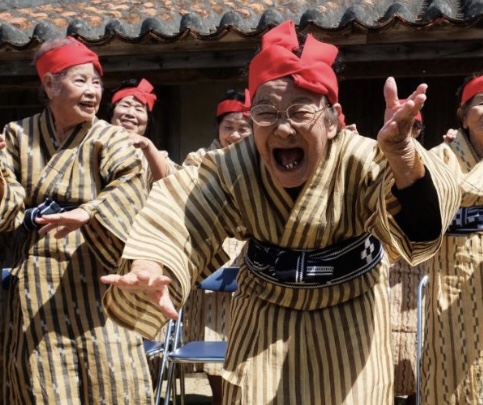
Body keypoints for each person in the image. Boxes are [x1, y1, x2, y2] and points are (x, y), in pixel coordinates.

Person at [101, 20, 460, 404]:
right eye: (266, 112)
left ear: (332, 119)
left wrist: (402, 155)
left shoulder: (360, 157)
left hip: (352, 320)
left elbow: (421, 229)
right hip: (263, 318)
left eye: (300, 111)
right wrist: (152, 262)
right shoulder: (237, 165)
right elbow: (182, 206)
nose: (283, 129)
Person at [0, 37, 153, 404]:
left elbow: (132, 181)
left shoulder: (110, 137)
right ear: (50, 85)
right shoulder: (16, 136)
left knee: (116, 380)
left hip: (100, 273)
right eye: (81, 80)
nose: (92, 91)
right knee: (43, 384)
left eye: (96, 82)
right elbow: (7, 212)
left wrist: (89, 212)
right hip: (37, 278)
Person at [418, 67, 483, 405]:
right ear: (463, 116)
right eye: (482, 102)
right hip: (450, 282)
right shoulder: (437, 159)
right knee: (450, 372)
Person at [183, 88, 252, 405]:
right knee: (215, 330)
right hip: (216, 245)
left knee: (250, 331)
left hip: (253, 247)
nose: (235, 135)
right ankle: (219, 399)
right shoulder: (199, 159)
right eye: (229, 127)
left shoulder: (264, 159)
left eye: (243, 127)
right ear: (218, 128)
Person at [388, 104, 427, 405]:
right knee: (385, 340)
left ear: (419, 130)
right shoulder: (374, 161)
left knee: (418, 338)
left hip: (420, 264)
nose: (405, 131)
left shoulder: (431, 163)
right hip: (385, 264)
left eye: (412, 126)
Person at [106, 77, 179, 188]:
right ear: (111, 113)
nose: (131, 113)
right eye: (125, 105)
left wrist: (148, 146)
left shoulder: (154, 155)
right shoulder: (95, 143)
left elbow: (171, 185)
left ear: (147, 122)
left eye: (139, 109)